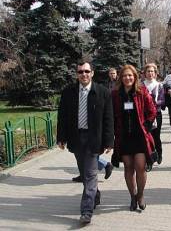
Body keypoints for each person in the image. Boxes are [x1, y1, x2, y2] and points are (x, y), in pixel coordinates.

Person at [57, 59, 114, 224]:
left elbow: (108, 119)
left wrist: (109, 140)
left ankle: (86, 211)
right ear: (77, 74)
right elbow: (62, 117)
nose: (84, 74)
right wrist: (61, 137)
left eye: (87, 71)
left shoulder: (102, 92)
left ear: (92, 73)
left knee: (90, 174)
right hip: (76, 138)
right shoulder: (68, 92)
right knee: (84, 173)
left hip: (94, 139)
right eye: (80, 72)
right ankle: (95, 194)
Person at [111, 64, 157, 211]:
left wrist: (147, 127)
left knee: (140, 167)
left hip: (140, 137)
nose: (127, 78)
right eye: (124, 75)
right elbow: (110, 114)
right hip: (124, 137)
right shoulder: (115, 94)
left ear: (135, 76)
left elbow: (152, 110)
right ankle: (132, 196)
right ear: (121, 78)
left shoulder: (141, 91)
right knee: (128, 168)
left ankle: (141, 195)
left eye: (130, 75)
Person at [143, 63, 165, 164]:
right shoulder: (141, 85)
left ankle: (159, 153)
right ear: (145, 73)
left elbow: (162, 100)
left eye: (152, 71)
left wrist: (153, 104)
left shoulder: (159, 85)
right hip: (144, 115)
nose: (150, 73)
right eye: (148, 71)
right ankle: (149, 157)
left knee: (156, 136)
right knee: (147, 136)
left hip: (156, 114)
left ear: (155, 73)